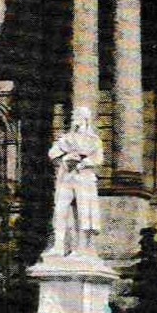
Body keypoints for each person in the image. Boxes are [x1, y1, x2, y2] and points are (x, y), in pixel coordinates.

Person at [49, 107, 103, 256]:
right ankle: (58, 246)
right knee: (60, 209)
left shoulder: (94, 140)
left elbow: (98, 158)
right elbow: (52, 153)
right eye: (74, 116)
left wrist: (84, 162)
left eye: (77, 116)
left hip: (84, 178)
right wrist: (65, 158)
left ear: (86, 119)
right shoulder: (67, 138)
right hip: (66, 176)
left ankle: (80, 248)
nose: (74, 119)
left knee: (83, 213)